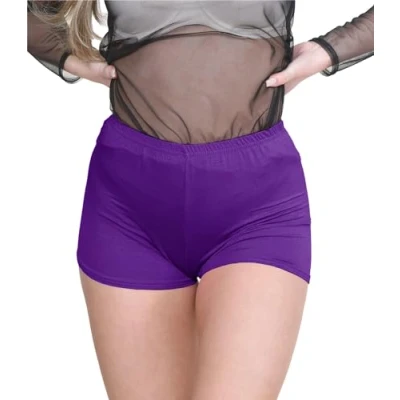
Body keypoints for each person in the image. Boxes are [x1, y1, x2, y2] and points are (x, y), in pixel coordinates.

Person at [27, 2, 374, 399]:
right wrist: (78, 62)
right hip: (128, 209)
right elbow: (30, 20)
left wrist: (329, 50)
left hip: (256, 209)